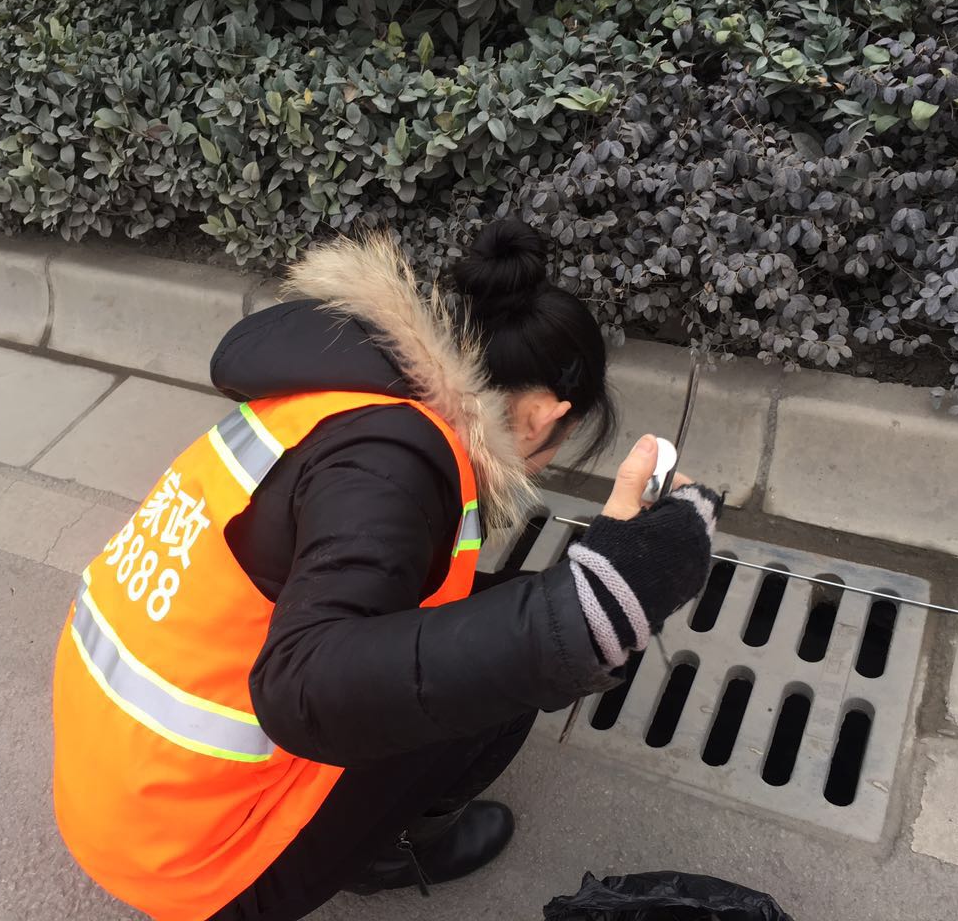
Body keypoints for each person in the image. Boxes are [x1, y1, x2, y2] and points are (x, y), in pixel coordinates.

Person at [51, 219, 722, 921]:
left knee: (496, 617)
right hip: (198, 863)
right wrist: (597, 606)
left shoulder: (339, 387)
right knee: (515, 663)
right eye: (562, 439)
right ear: (537, 416)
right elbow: (302, 688)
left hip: (113, 786)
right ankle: (387, 852)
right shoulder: (391, 466)